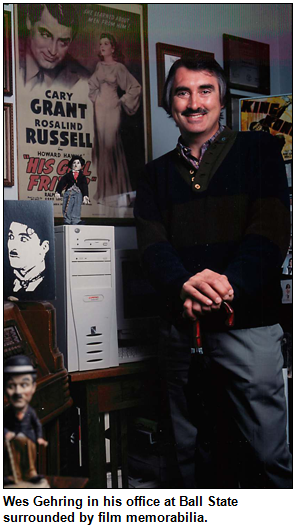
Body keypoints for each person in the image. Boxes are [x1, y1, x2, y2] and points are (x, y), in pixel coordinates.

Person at [134, 54, 292, 489]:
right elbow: (152, 246)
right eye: (183, 92)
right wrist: (184, 284)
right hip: (181, 334)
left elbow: (270, 233)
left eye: (206, 90)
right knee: (189, 457)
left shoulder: (260, 151)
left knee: (266, 455)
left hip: (248, 327)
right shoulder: (154, 175)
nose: (194, 102)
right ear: (170, 103)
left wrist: (227, 285)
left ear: (222, 99)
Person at [88, 33, 142, 203]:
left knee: (111, 145)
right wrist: (96, 97)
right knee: (101, 147)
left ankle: (114, 193)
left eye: (106, 43)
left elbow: (135, 86)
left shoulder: (119, 68)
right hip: (99, 109)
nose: (102, 46)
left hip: (112, 109)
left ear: (113, 48)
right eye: (100, 43)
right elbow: (92, 85)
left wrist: (123, 99)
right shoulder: (99, 66)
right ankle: (103, 192)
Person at [19, 4, 89, 89]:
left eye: (63, 42)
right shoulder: (7, 56)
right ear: (29, 22)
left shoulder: (83, 78)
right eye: (45, 35)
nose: (52, 51)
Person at [4, 355, 48, 484]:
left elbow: (37, 425)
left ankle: (30, 473)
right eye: (12, 386)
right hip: (13, 440)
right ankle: (15, 474)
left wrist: (39, 437)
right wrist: (6, 432)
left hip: (28, 438)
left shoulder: (30, 412)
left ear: (33, 387)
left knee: (29, 452)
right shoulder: (8, 413)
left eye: (24, 385)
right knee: (13, 456)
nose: (18, 392)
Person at [55, 155, 90, 224]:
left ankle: (76, 220)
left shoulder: (82, 177)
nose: (76, 165)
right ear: (71, 165)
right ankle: (67, 220)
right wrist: (58, 191)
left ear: (81, 165)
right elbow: (62, 182)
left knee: (77, 205)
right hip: (69, 192)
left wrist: (85, 195)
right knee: (67, 205)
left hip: (78, 193)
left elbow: (84, 186)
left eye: (78, 163)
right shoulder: (68, 175)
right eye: (74, 163)